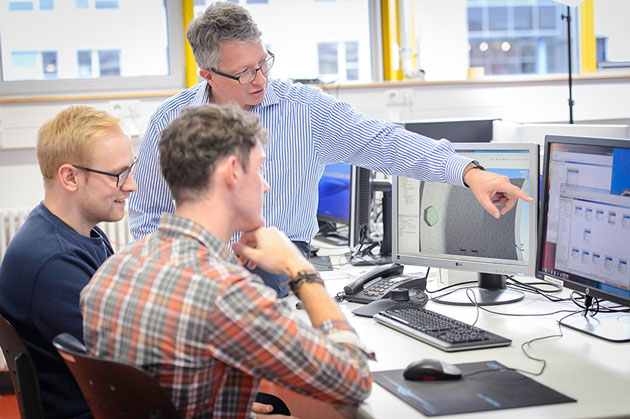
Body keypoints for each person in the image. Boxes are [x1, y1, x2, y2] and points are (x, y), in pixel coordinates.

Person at [129, 1, 532, 297]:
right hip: (197, 263)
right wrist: (173, 274)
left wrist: (468, 172)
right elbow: (147, 215)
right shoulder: (171, 120)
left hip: (281, 260)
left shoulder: (304, 108)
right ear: (207, 74)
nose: (259, 78)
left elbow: (383, 141)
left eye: (264, 62)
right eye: (244, 72)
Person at [80, 105, 373, 418]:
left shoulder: (115, 267)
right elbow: (352, 381)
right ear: (233, 171)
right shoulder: (226, 293)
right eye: (260, 169)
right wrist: (299, 269)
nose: (266, 185)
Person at [0, 105, 137, 418]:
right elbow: (124, 363)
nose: (131, 185)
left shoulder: (78, 235)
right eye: (119, 175)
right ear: (70, 177)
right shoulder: (52, 261)